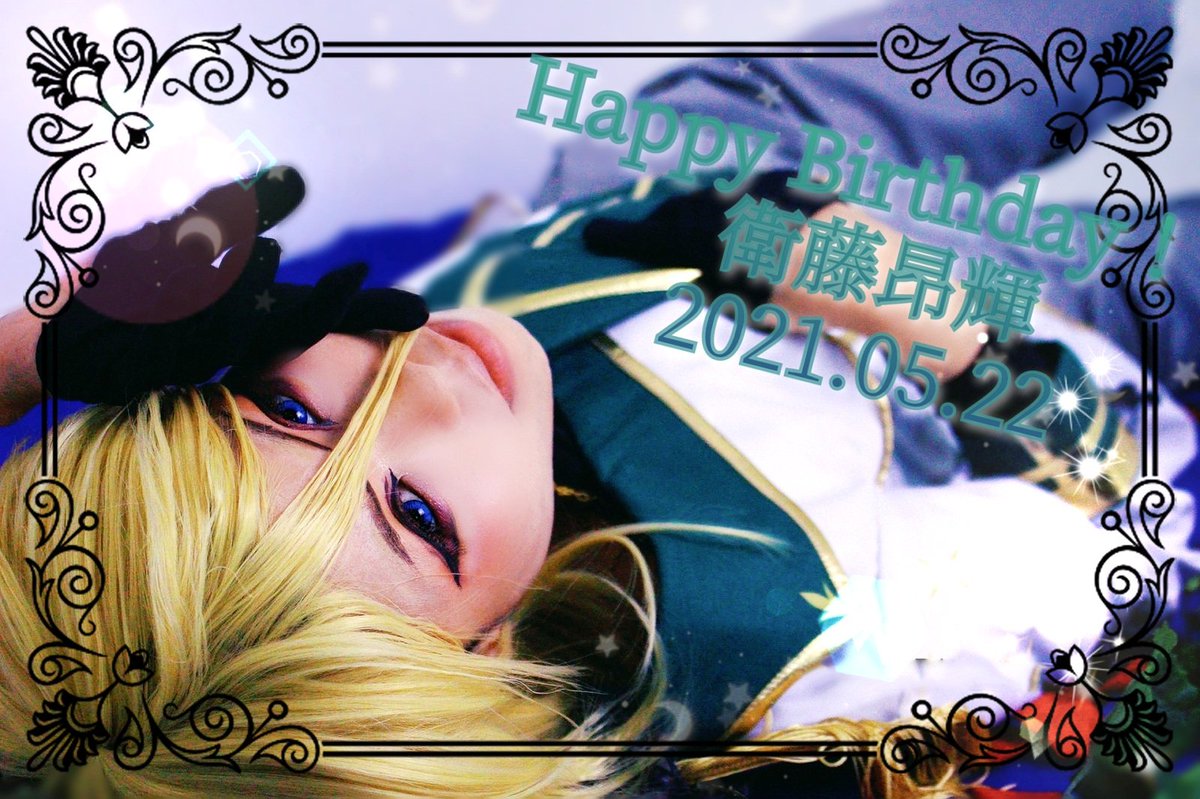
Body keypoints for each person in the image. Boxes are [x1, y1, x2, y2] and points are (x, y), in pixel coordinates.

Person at [2, 3, 1196, 798]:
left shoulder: (176, 585)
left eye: (282, 407)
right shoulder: (785, 681)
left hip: (680, 193)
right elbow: (1108, 546)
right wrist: (949, 332)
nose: (408, 383)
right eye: (416, 515)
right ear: (488, 658)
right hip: (977, 379)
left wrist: (46, 345)